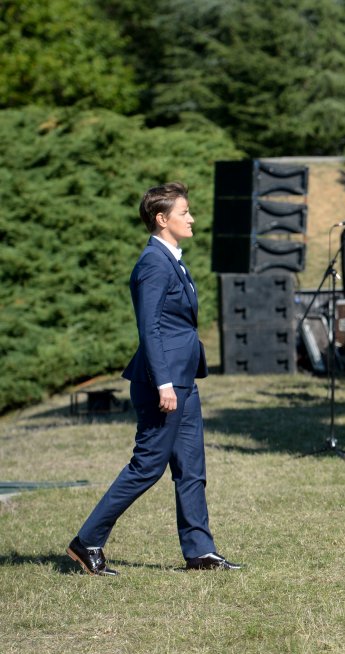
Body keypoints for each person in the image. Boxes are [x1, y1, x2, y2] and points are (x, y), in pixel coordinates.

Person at [67, 182, 239, 575]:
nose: (191, 218)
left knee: (191, 468)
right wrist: (163, 383)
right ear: (162, 220)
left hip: (183, 381)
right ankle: (87, 540)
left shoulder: (172, 258)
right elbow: (150, 328)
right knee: (146, 466)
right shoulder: (153, 264)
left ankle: (200, 551)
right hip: (163, 383)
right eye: (184, 213)